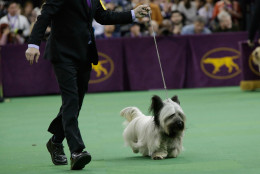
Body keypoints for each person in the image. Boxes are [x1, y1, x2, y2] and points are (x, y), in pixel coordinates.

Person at [25, 0, 150, 170]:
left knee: (76, 103)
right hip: (62, 54)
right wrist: (33, 44)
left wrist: (133, 13)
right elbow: (44, 16)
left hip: (84, 54)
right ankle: (77, 151)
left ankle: (55, 141)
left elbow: (103, 16)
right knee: (71, 100)